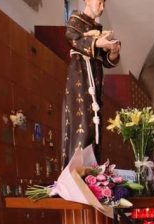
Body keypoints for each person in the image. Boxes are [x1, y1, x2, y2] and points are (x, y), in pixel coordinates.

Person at [62, 0, 121, 165]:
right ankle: (76, 171)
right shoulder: (75, 19)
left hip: (95, 78)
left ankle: (92, 170)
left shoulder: (98, 29)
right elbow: (72, 38)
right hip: (80, 74)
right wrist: (96, 42)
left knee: (95, 122)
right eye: (99, 2)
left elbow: (105, 59)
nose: (102, 8)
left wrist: (113, 53)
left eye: (104, 4)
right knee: (82, 122)